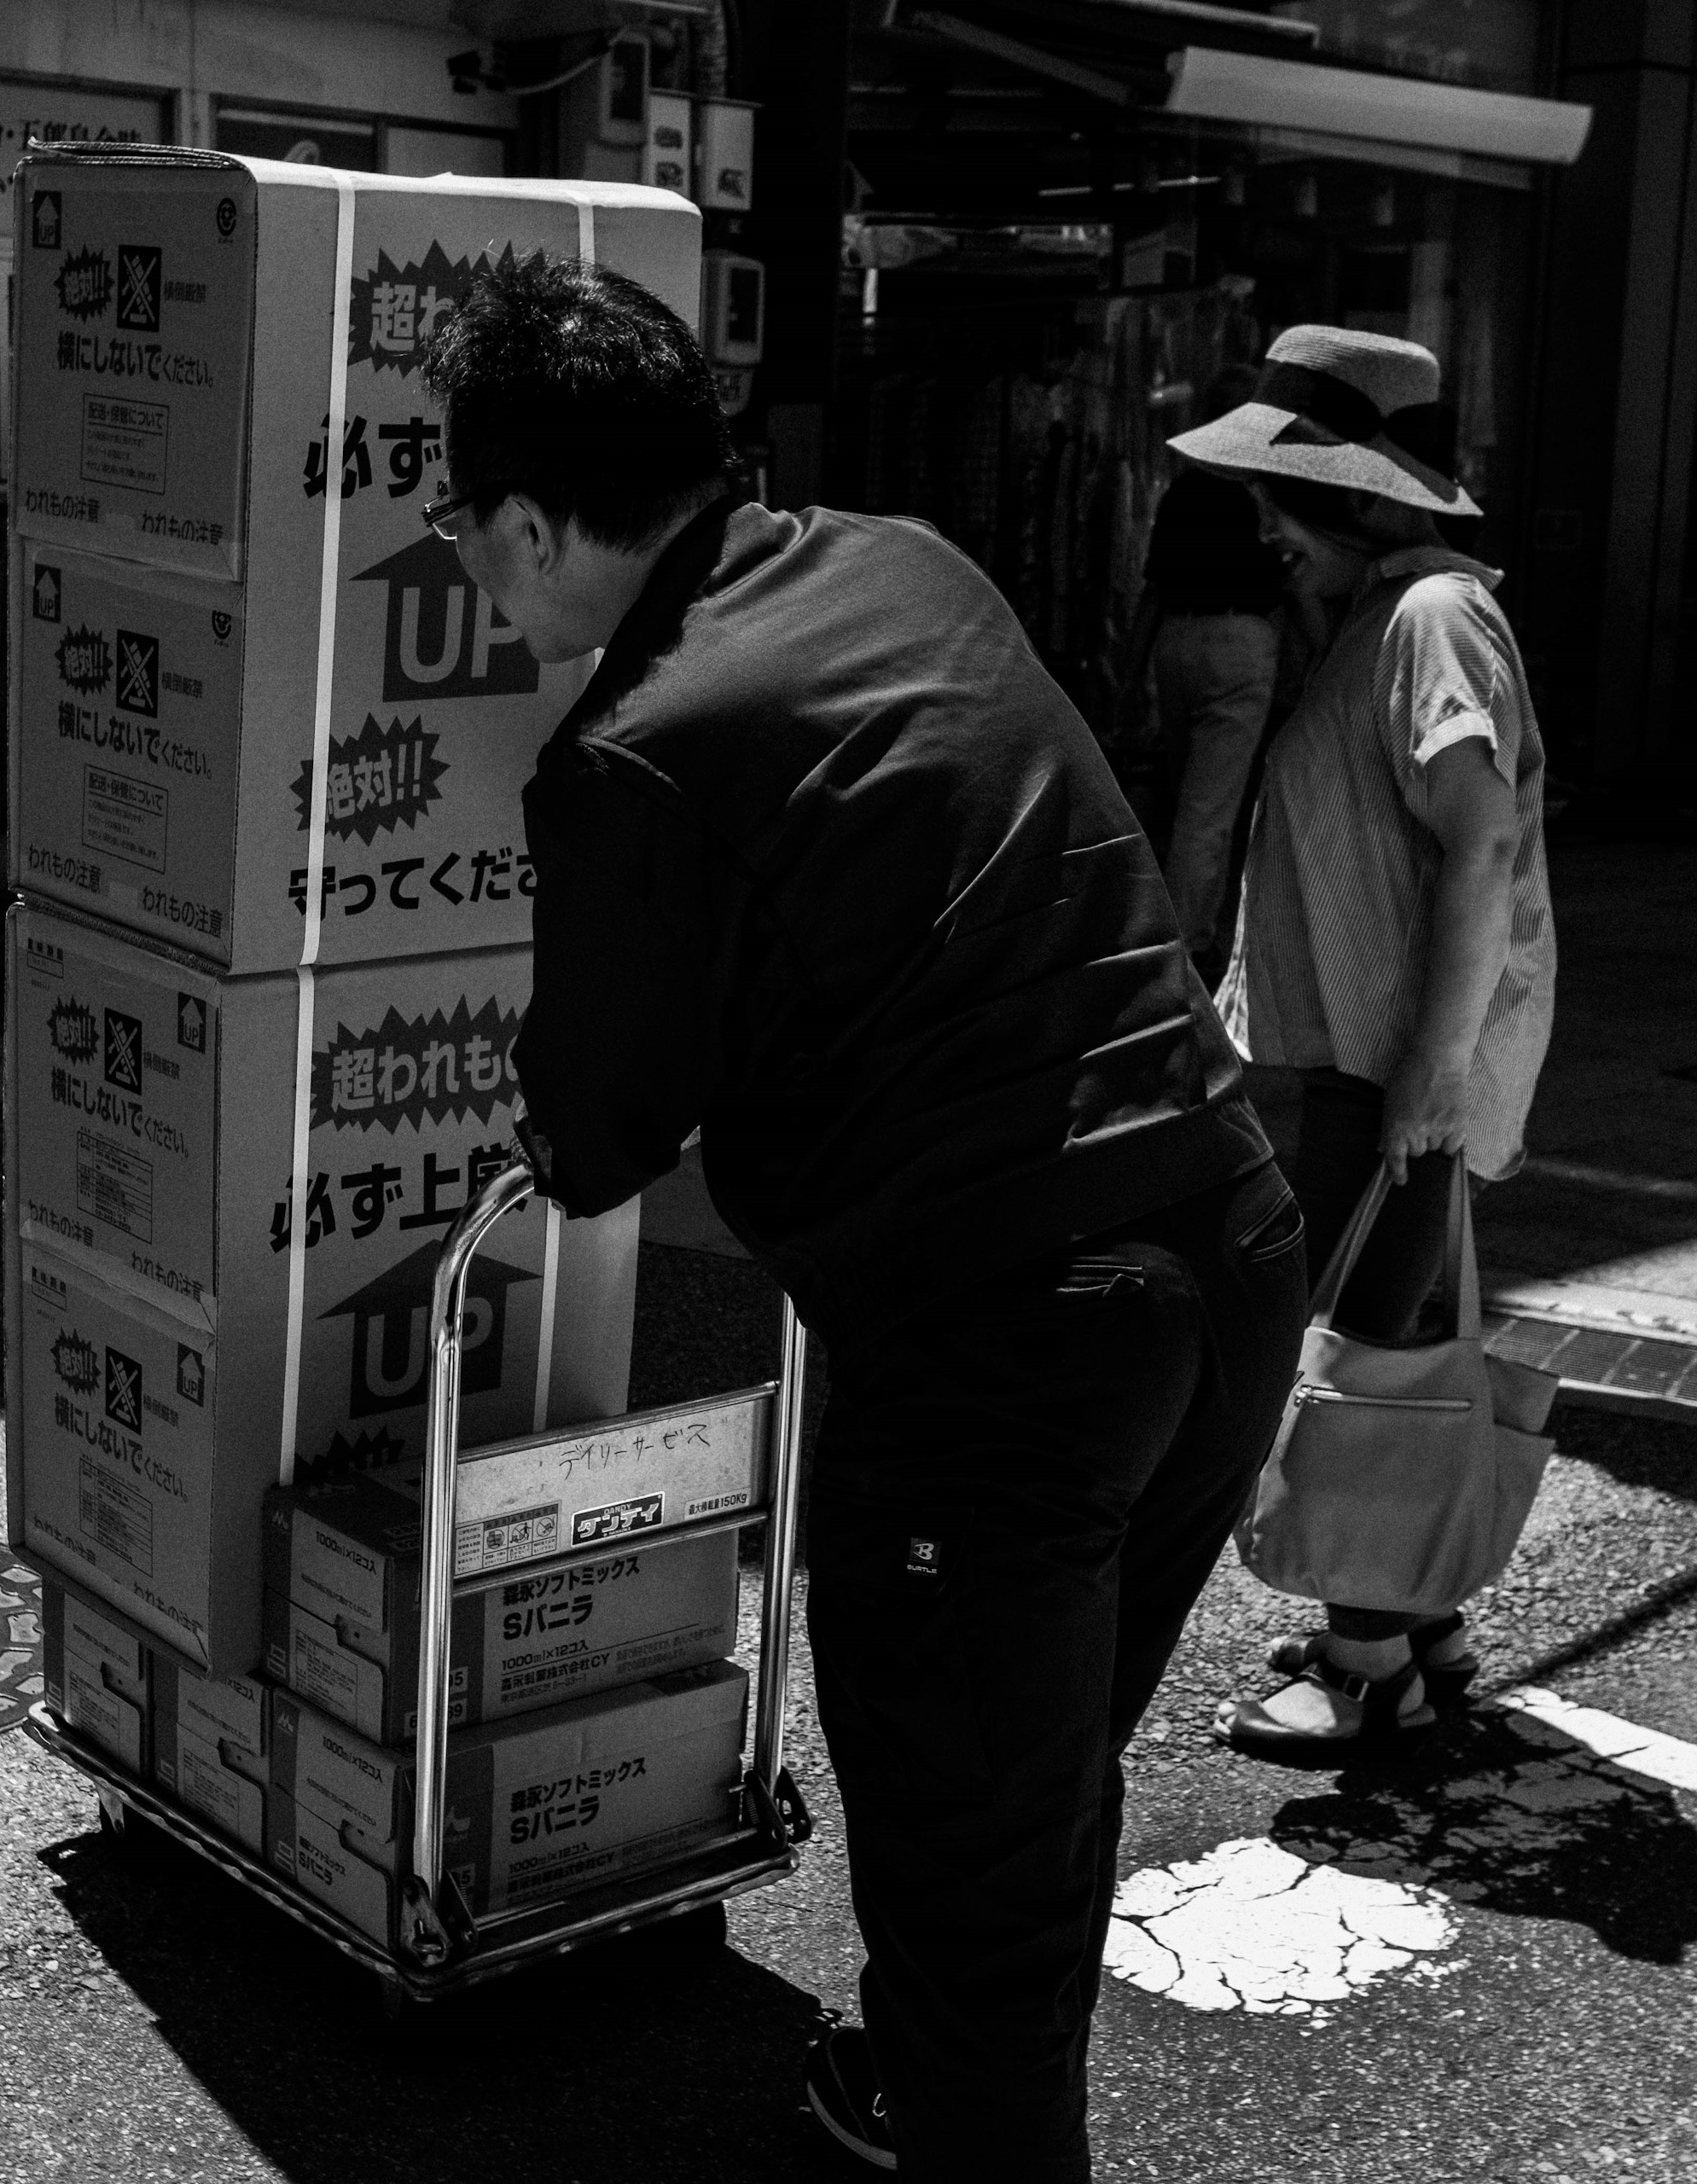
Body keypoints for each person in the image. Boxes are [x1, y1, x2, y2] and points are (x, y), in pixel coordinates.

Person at [423, 256, 1308, 2181]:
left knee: (977, 1860)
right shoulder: (904, 562)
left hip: (1010, 1336)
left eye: (462, 527)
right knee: (1031, 1789)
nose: (474, 578)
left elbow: (592, 1134)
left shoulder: (629, 750)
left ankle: (964, 2110)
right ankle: (913, 2079)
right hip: (1229, 1246)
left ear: (526, 518)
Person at [1166, 326, 1558, 1758]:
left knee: (1371, 1353)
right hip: (1360, 1056)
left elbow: (1481, 840)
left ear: (1360, 495)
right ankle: (1415, 1623)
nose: (1264, 522)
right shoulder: (1389, 614)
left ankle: (1364, 1664)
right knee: (1386, 1333)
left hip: (1385, 1066)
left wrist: (1434, 1074)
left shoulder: (1429, 618)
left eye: (1287, 491)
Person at [1113, 368, 1293, 976]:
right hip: (1242, 640)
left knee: (1183, 791)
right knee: (1208, 806)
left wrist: (1131, 675)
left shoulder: (1182, 492)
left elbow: (1153, 592)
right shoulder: (1263, 495)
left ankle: (1170, 926)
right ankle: (1184, 942)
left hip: (1178, 641)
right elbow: (1293, 585)